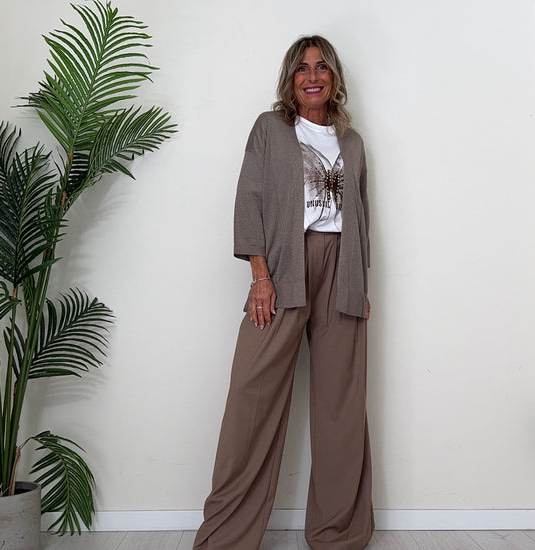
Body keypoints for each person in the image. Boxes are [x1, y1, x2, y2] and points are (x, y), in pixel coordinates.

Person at [193, 35, 374, 550]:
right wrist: (260, 275)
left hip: (343, 271)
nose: (312, 76)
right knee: (250, 398)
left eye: (322, 67)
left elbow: (361, 215)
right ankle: (226, 538)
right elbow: (249, 198)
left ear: (334, 77)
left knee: (341, 406)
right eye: (301, 68)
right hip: (285, 266)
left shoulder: (353, 142)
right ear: (290, 79)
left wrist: (359, 282)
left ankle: (336, 533)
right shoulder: (270, 129)